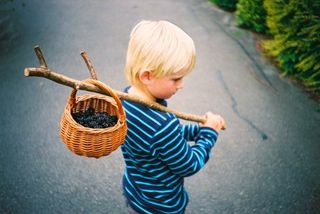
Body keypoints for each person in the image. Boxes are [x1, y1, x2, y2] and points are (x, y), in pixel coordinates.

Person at [121, 20, 226, 214]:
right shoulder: (162, 125)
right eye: (176, 79)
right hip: (161, 204)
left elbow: (162, 141)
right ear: (147, 76)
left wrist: (199, 129)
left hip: (136, 191)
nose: (181, 85)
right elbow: (189, 164)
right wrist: (209, 134)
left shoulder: (125, 100)